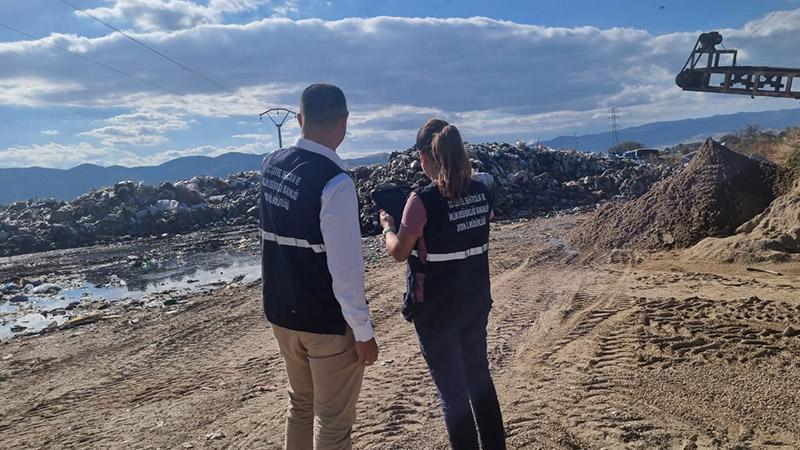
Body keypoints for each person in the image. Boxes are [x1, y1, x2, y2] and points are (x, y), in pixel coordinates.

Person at [260, 83, 378, 450]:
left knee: (300, 404)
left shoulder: (271, 165)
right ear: (345, 121)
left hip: (281, 313)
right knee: (333, 423)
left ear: (299, 119)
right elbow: (346, 270)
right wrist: (363, 331)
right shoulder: (335, 182)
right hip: (324, 322)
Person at [380, 119, 506, 450]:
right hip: (475, 303)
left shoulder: (421, 201)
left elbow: (399, 252)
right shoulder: (482, 192)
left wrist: (388, 227)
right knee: (480, 381)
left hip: (436, 313)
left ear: (424, 157)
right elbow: (477, 220)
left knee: (453, 394)